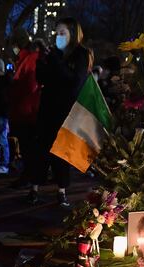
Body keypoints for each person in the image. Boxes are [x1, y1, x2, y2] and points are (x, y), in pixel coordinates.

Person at [29, 17, 92, 207]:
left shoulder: (81, 54)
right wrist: (41, 64)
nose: (58, 37)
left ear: (73, 33)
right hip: (47, 108)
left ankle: (62, 190)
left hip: (66, 111)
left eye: (62, 33)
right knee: (40, 149)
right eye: (56, 33)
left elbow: (75, 81)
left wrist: (56, 63)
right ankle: (34, 188)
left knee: (61, 151)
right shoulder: (54, 53)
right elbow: (43, 79)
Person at [8, 27, 42, 188]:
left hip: (28, 110)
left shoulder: (30, 58)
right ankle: (30, 175)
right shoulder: (25, 58)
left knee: (28, 146)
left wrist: (13, 87)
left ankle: (30, 176)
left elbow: (29, 85)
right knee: (26, 146)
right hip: (26, 109)